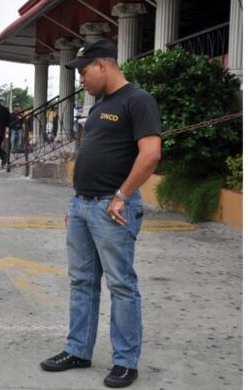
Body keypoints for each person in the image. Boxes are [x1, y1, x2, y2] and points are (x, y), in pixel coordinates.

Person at [39, 39, 161, 389]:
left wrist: (122, 195)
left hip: (113, 207)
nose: (80, 79)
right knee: (82, 281)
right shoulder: (99, 107)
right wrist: (75, 202)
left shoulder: (138, 101)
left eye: (82, 71)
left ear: (103, 66)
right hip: (82, 205)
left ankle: (125, 361)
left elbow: (150, 154)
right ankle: (78, 350)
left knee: (121, 285)